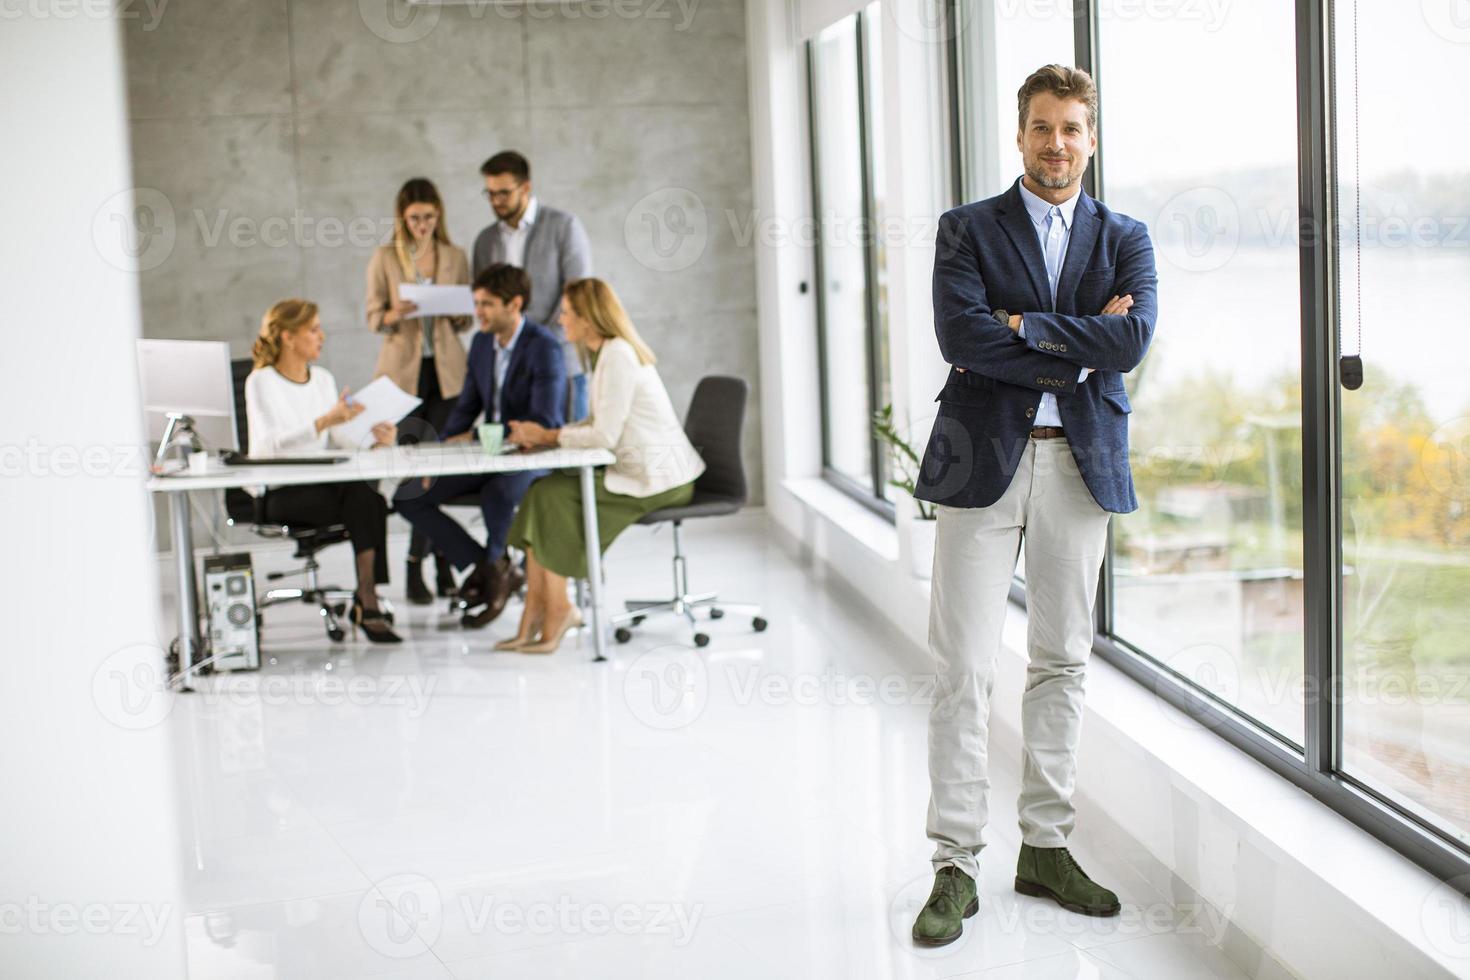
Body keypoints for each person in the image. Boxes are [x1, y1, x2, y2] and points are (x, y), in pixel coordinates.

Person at [909, 65, 1158, 946]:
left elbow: (1132, 339)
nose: (1058, 143)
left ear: (1091, 138)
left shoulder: (1126, 237)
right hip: (984, 464)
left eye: (1073, 128)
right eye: (1043, 127)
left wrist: (1023, 333)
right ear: (1019, 135)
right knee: (963, 667)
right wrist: (1076, 349)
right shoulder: (966, 229)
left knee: (1061, 662)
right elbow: (960, 335)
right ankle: (955, 863)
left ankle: (1045, 847)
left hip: (1078, 468)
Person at [502, 278, 704, 655]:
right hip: (637, 467)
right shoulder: (604, 354)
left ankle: (559, 609)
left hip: (658, 478)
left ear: (588, 320)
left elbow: (605, 435)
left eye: (566, 313)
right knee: (538, 492)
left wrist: (547, 437)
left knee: (551, 496)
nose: (560, 321)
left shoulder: (618, 355)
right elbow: (598, 423)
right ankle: (537, 609)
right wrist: (545, 433)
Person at [393, 264, 566, 629]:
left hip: (530, 457)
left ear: (514, 304)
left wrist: (480, 434)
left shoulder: (544, 348)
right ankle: (492, 567)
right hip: (490, 453)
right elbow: (466, 407)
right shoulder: (482, 343)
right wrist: (436, 457)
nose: (478, 313)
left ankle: (493, 569)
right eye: (476, 303)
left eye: (487, 304)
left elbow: (545, 420)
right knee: (408, 495)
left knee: (499, 493)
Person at [245, 299, 403, 644]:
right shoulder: (262, 381)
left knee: (367, 495)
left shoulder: (322, 379)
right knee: (368, 500)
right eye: (314, 329)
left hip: (322, 486)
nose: (322, 336)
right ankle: (368, 600)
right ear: (287, 337)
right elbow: (270, 446)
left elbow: (339, 439)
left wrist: (374, 440)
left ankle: (367, 594)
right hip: (282, 492)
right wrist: (324, 420)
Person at [366, 177, 472, 606]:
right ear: (402, 217)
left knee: (439, 470)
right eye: (415, 218)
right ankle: (421, 566)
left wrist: (452, 310)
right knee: (413, 472)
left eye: (430, 217)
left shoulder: (455, 256)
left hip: (447, 372)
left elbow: (468, 318)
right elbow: (373, 317)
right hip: (403, 375)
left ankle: (434, 562)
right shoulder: (385, 258)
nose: (423, 225)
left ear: (439, 215)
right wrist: (395, 312)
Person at [471, 151, 593, 423]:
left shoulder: (564, 227)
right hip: (510, 369)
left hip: (560, 357)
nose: (496, 201)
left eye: (503, 193)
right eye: (490, 194)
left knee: (570, 454)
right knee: (518, 451)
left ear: (526, 187)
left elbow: (578, 293)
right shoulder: (485, 240)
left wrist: (537, 344)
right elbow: (483, 299)